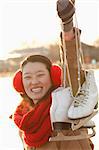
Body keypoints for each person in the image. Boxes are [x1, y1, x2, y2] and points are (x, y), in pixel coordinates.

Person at [11, 0, 96, 149]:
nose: (34, 81)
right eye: (28, 77)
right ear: (20, 83)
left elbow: (72, 64)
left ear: (52, 77)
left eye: (40, 74)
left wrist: (67, 25)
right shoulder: (23, 120)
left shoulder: (67, 103)